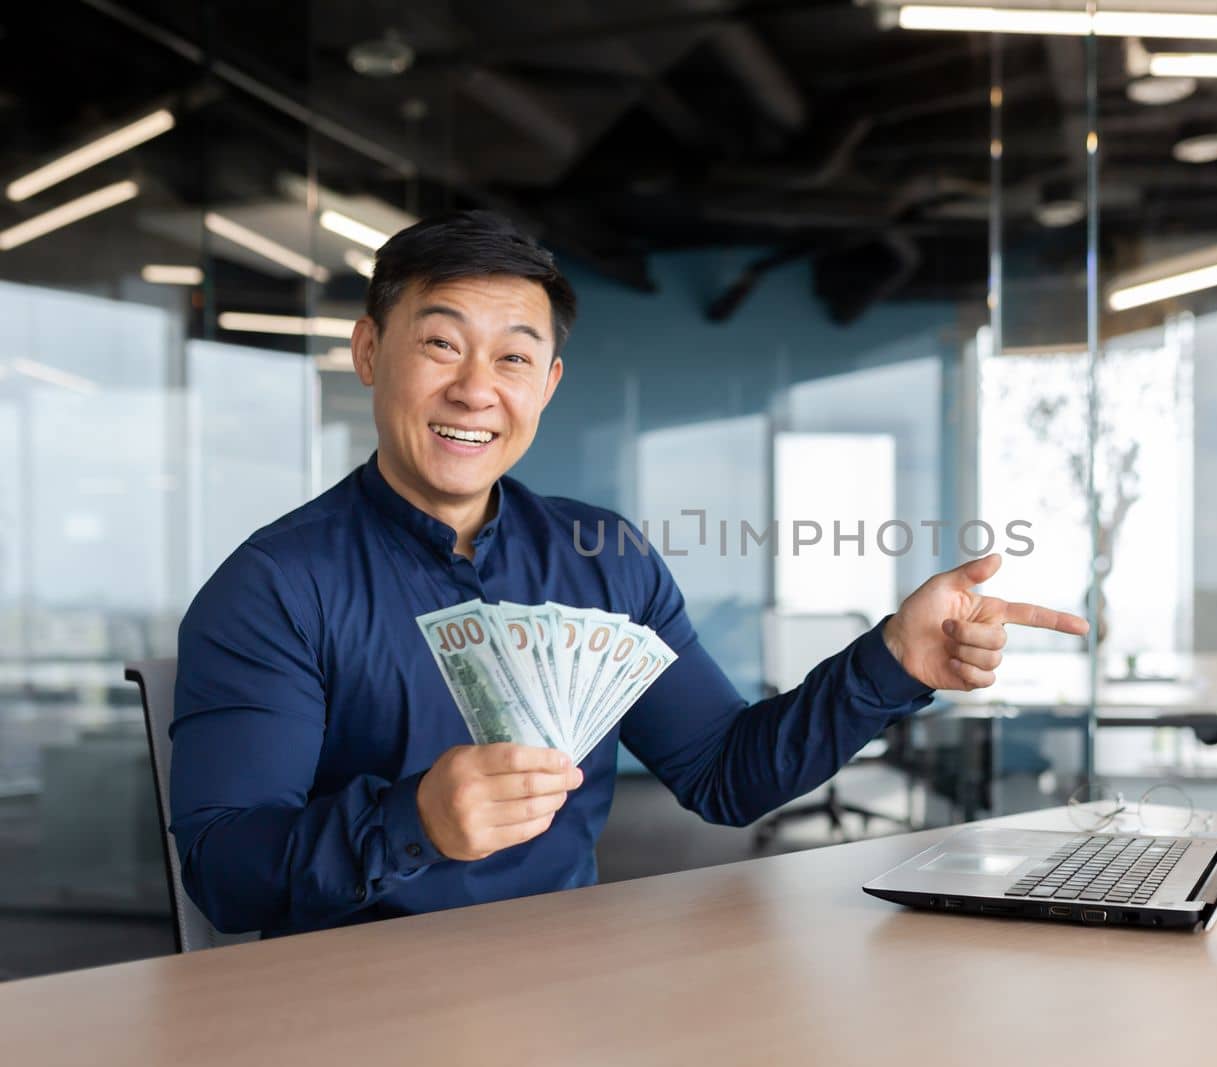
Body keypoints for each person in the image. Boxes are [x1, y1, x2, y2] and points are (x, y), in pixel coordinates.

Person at [170, 210, 1087, 937]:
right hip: (351, 1001)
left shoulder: (600, 558)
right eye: (441, 344)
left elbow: (726, 774)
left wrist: (893, 659)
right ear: (370, 350)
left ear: (549, 384)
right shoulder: (273, 586)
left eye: (515, 358)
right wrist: (410, 820)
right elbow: (224, 872)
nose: (476, 389)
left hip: (568, 975)